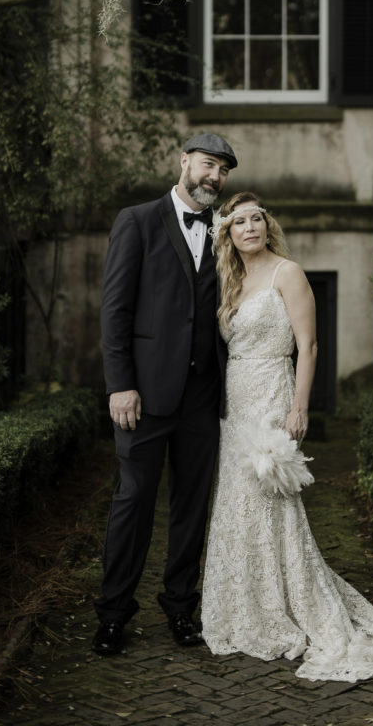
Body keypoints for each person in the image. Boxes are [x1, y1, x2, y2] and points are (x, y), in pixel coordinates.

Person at [201, 192, 373, 683]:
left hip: (274, 392)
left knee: (270, 497)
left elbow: (308, 345)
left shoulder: (289, 273)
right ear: (228, 233)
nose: (250, 227)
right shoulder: (229, 279)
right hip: (236, 397)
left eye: (257, 218)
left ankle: (292, 602)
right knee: (238, 500)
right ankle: (248, 609)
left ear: (268, 224)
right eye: (239, 222)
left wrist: (299, 405)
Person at [92, 133, 238, 656]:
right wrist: (120, 385)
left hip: (202, 397)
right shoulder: (136, 221)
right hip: (145, 397)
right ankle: (113, 613)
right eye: (207, 165)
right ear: (183, 163)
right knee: (133, 502)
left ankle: (181, 606)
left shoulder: (224, 231)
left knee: (191, 507)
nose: (214, 177)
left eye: (222, 171)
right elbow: (115, 312)